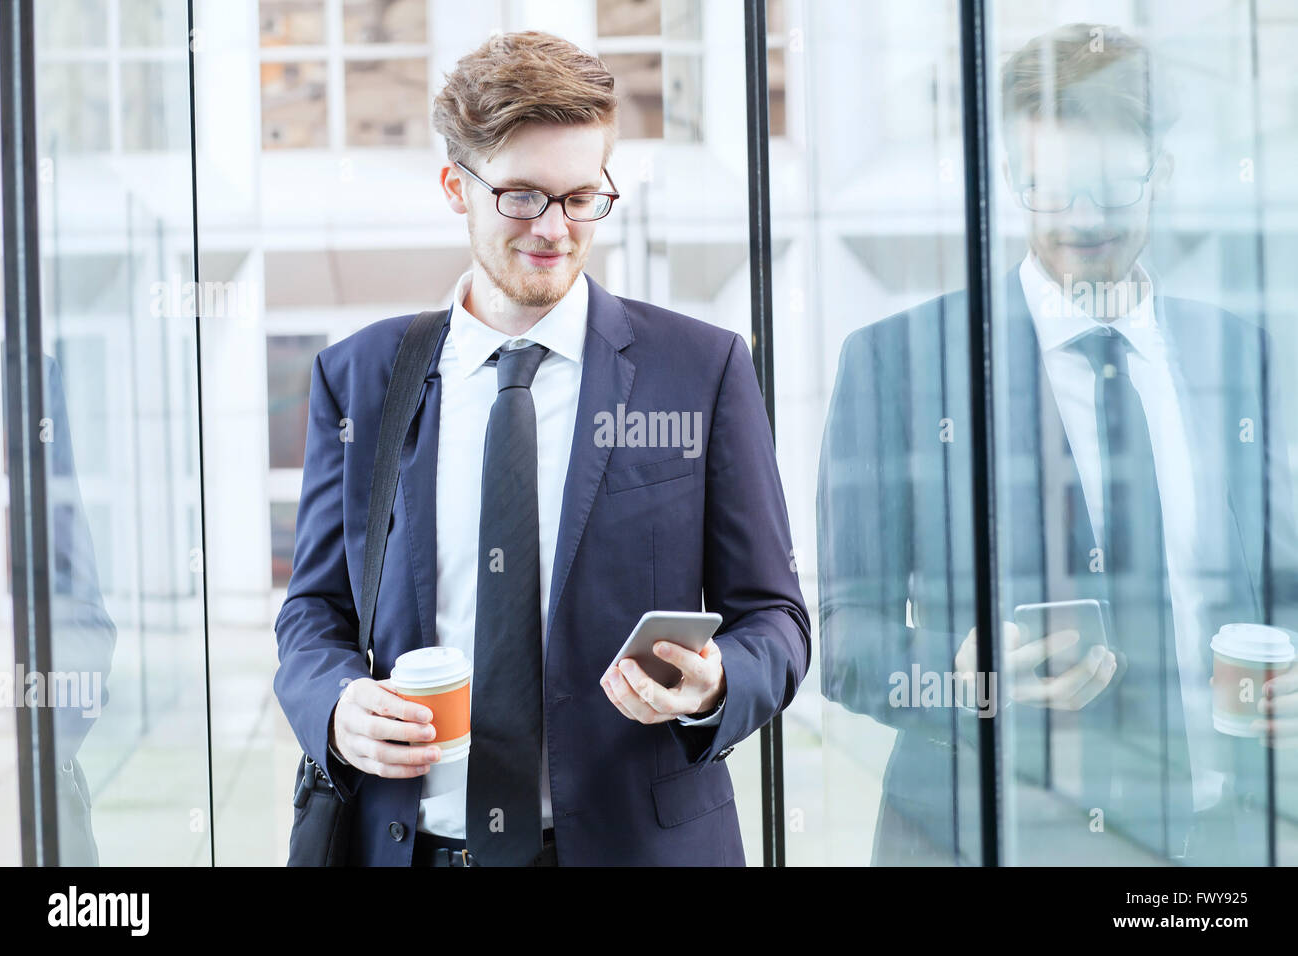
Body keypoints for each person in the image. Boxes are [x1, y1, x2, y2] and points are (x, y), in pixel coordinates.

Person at [273, 30, 810, 867]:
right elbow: (314, 611)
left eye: (581, 197)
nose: (555, 230)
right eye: (522, 196)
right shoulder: (362, 378)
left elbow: (775, 619)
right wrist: (336, 707)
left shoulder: (701, 371)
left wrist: (716, 684)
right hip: (411, 848)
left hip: (636, 848)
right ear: (458, 187)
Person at [816, 22, 1298, 865]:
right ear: (1012, 179)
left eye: (1112, 187)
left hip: (1218, 843)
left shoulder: (1237, 352)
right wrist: (960, 675)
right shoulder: (896, 365)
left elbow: (1281, 579)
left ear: (1163, 174)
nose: (1081, 220)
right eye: (1049, 189)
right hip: (992, 837)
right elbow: (846, 643)